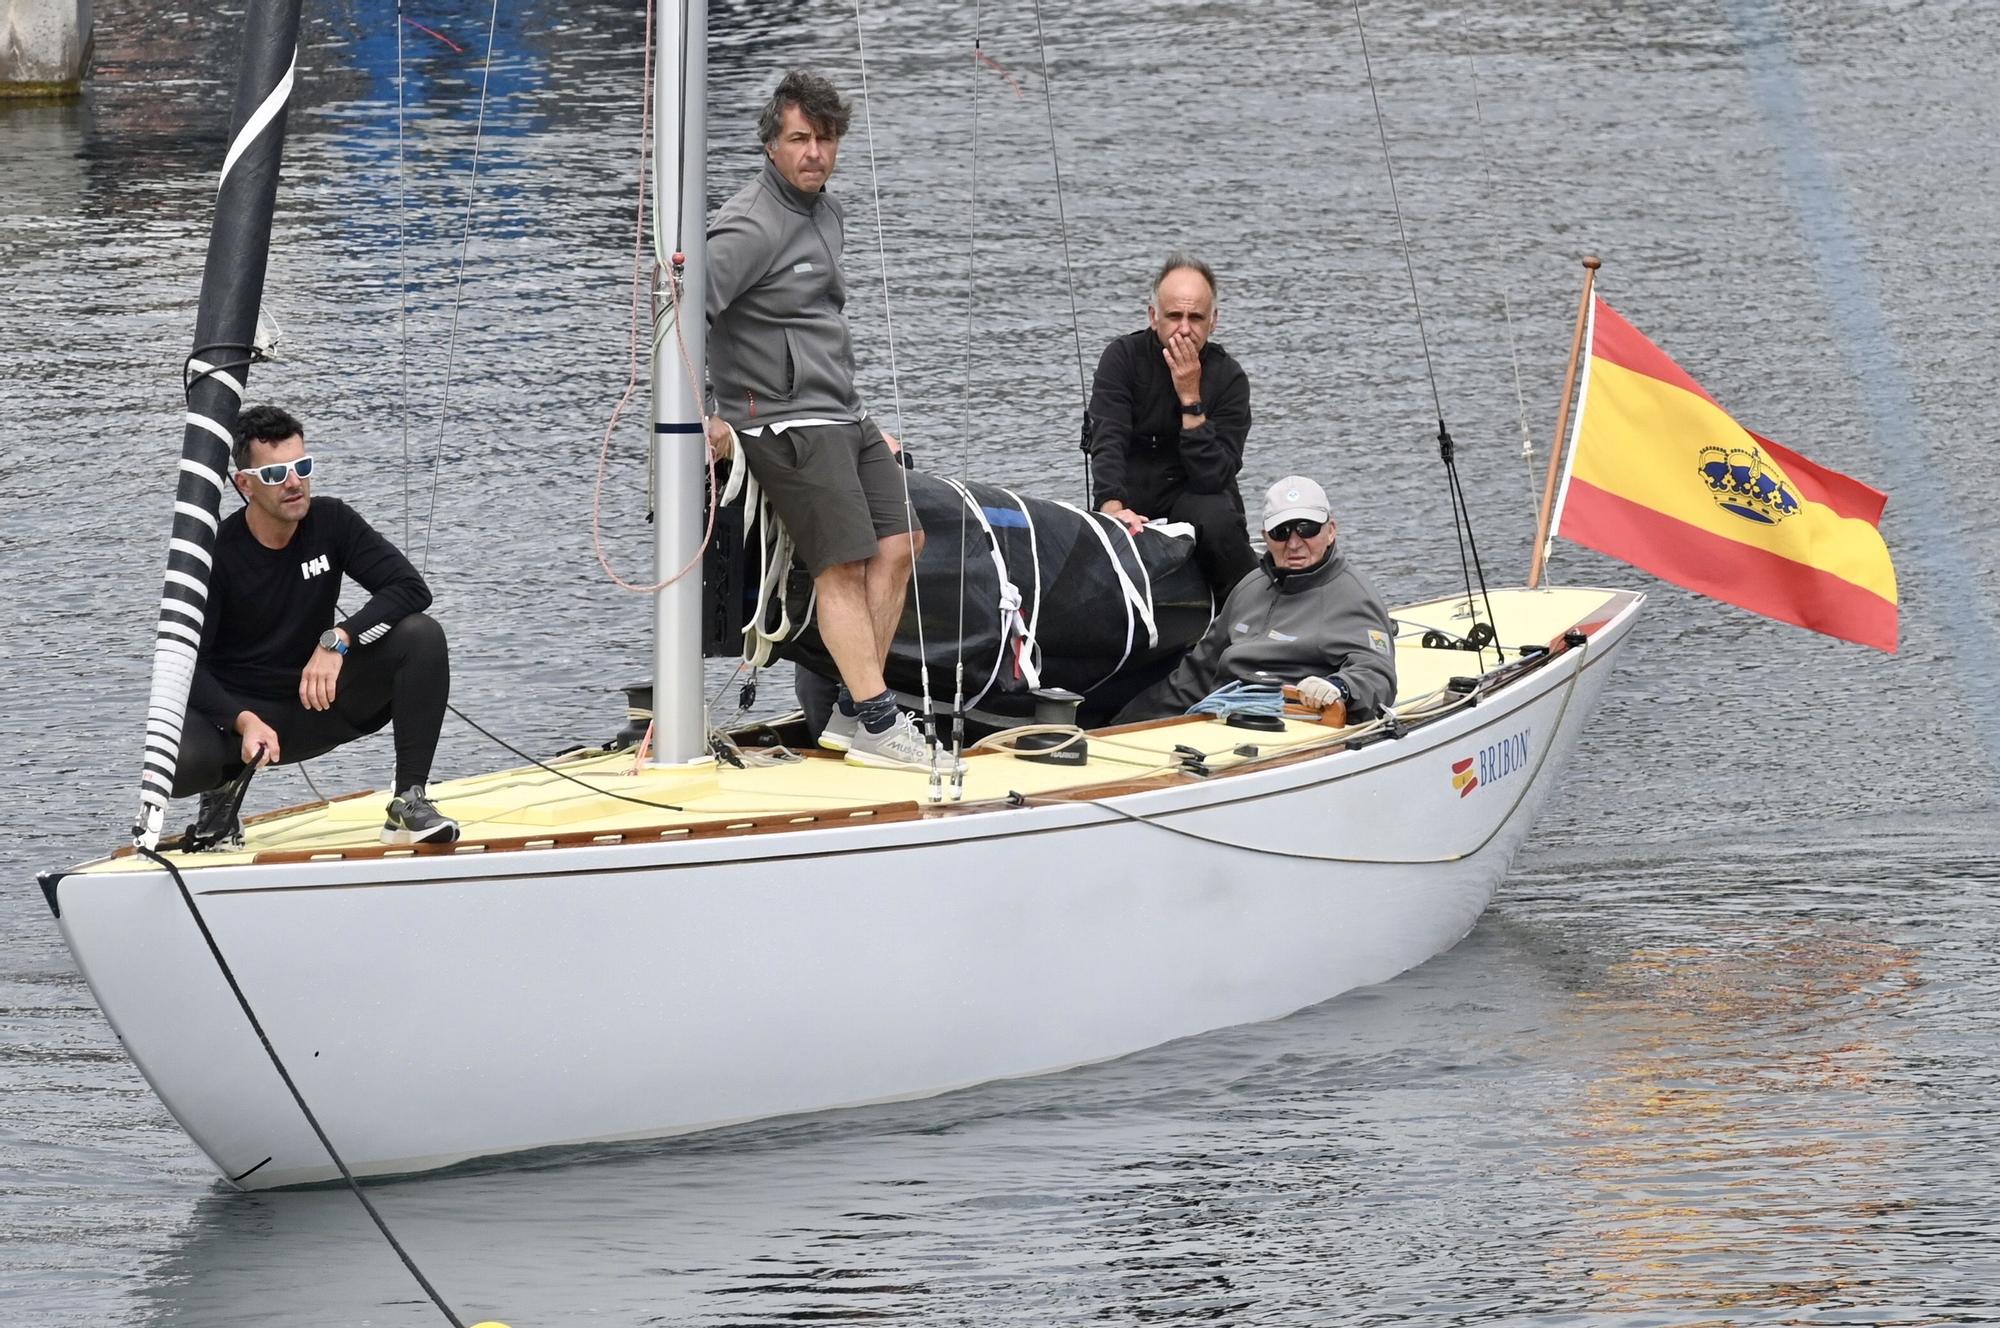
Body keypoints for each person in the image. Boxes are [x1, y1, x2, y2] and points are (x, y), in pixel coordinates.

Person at [703, 68, 932, 771]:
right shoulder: (748, 224)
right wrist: (702, 421)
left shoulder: (826, 213)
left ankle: (852, 714)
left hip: (840, 411)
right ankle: (881, 718)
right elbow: (678, 316)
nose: (815, 153)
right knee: (842, 566)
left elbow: (817, 319)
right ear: (772, 144)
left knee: (903, 543)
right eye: (801, 139)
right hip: (780, 419)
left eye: (827, 139)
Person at [172, 405, 459, 846]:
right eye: (275, 474)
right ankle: (221, 795)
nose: (293, 483)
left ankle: (408, 801)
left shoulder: (332, 522)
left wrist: (339, 639)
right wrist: (242, 721)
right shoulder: (216, 554)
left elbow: (409, 588)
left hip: (315, 701)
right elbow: (189, 665)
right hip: (247, 726)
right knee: (175, 762)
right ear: (243, 484)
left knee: (421, 636)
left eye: (301, 467)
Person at [1114, 475, 1397, 724]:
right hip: (1218, 716)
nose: (1295, 543)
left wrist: (1340, 686)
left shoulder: (1354, 595)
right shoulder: (1249, 588)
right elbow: (1195, 675)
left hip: (1289, 722)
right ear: (1265, 537)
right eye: (1281, 532)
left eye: (1307, 529)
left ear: (1331, 530)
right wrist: (1119, 727)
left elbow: (1377, 672)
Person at [1086, 253, 1257, 598]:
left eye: (1195, 318)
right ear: (1153, 317)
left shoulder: (1229, 378)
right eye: (1174, 316)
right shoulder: (1122, 359)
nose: (1184, 329)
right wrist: (1112, 507)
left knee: (1218, 516)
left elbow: (1213, 476)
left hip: (1195, 496)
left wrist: (1191, 398)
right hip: (1132, 494)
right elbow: (1108, 439)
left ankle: (1251, 608)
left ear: (1213, 322)